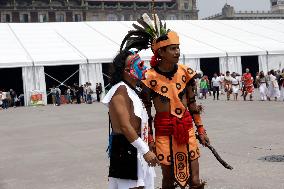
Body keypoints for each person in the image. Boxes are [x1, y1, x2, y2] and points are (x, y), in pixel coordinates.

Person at [120, 13, 210, 188]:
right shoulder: (148, 78)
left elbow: (192, 105)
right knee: (168, 180)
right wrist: (150, 141)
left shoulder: (186, 73)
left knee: (195, 181)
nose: (177, 52)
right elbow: (147, 114)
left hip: (187, 130)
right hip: (163, 132)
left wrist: (201, 129)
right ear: (160, 51)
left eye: (178, 47)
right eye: (172, 48)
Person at [102, 50, 157, 189]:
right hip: (127, 149)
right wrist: (145, 150)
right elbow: (125, 126)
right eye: (140, 65)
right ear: (127, 71)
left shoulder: (131, 89)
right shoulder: (120, 89)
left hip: (135, 147)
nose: (144, 68)